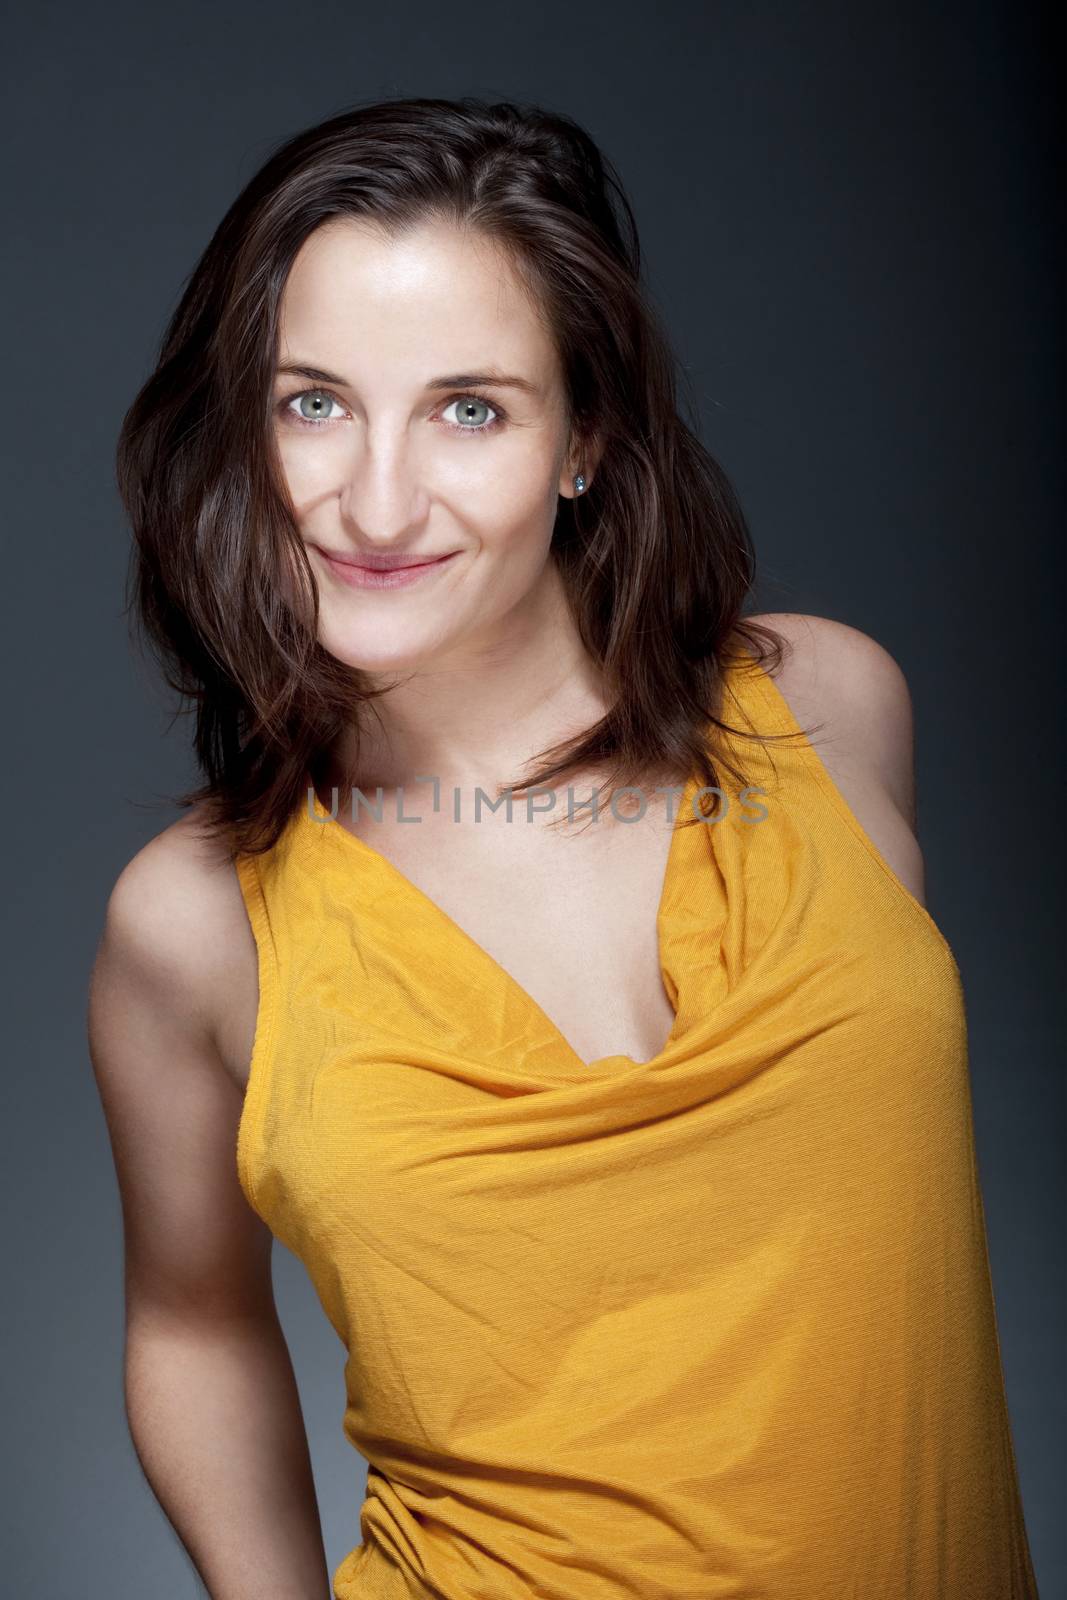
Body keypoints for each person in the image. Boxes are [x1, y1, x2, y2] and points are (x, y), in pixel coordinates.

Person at [87, 96, 1039, 1599]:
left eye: (471, 408)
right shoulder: (195, 921)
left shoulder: (833, 707)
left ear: (586, 437)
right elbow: (193, 1320)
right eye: (312, 403)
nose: (377, 501)